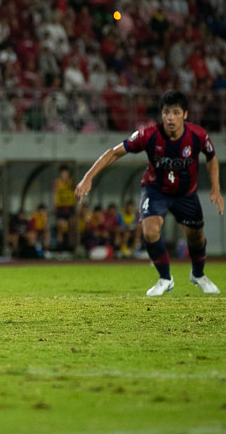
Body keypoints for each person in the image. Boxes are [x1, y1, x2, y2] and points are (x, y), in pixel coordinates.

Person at [75, 90, 223, 296]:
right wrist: (88, 177)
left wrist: (215, 188)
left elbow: (212, 157)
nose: (170, 117)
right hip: (155, 191)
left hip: (185, 195)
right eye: (166, 112)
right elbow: (114, 152)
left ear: (185, 115)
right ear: (161, 114)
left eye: (176, 112)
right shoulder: (148, 135)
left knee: (196, 238)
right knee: (150, 231)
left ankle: (198, 275)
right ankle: (165, 278)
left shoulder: (198, 135)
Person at [53, 165, 76, 250]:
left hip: (70, 206)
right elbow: (56, 190)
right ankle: (59, 247)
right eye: (63, 173)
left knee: (72, 227)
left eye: (66, 173)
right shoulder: (58, 182)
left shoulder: (71, 182)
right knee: (60, 227)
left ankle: (71, 247)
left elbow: (75, 189)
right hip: (61, 207)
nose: (64, 175)